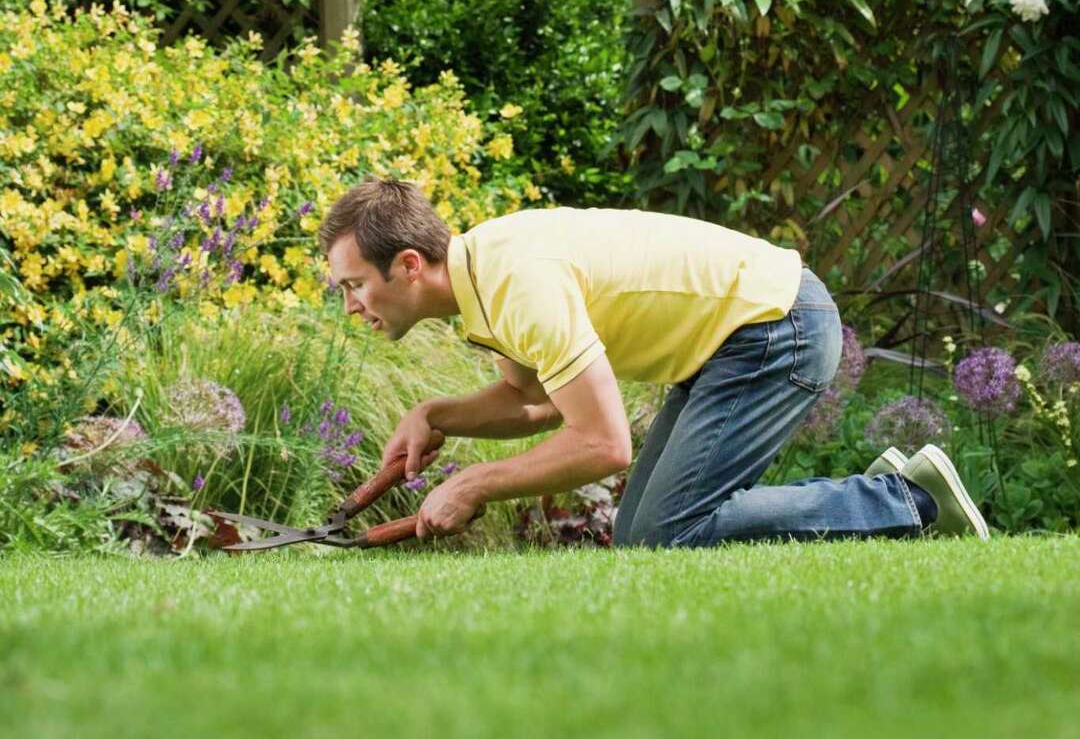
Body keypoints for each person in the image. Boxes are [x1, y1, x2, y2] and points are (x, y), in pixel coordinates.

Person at [319, 176, 990, 545]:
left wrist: (474, 483)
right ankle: (895, 491)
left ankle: (906, 499)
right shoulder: (483, 280)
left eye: (354, 285)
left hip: (774, 327)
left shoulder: (516, 282)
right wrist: (436, 415)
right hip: (734, 341)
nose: (351, 305)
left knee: (667, 532)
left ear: (408, 265)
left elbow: (604, 444)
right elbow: (537, 403)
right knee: (650, 535)